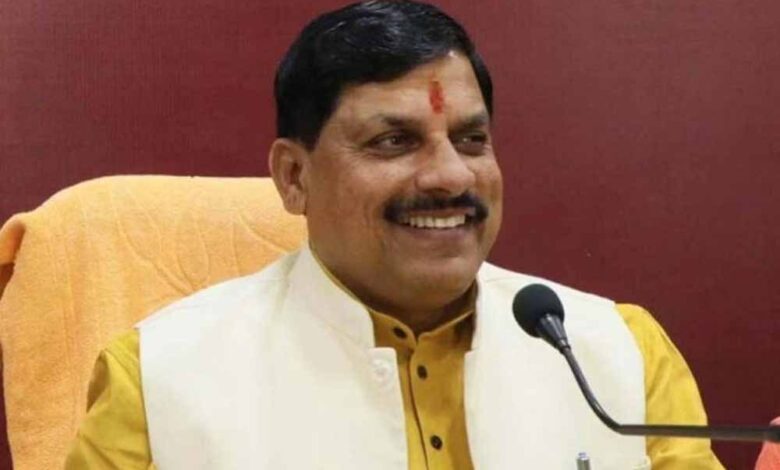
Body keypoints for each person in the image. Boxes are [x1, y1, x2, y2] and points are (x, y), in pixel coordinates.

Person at [66, 1, 724, 468]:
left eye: (471, 139)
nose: (449, 174)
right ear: (294, 178)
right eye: (393, 141)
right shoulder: (158, 382)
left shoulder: (616, 354)